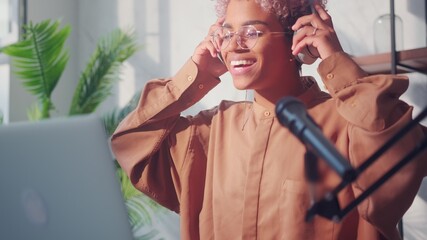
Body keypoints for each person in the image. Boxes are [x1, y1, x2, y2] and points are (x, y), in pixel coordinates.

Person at [111, 0, 427, 239]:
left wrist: (336, 63)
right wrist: (195, 73)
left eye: (251, 32)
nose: (234, 45)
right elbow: (131, 144)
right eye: (227, 33)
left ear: (298, 38)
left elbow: (403, 160)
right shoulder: (209, 133)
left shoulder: (350, 124)